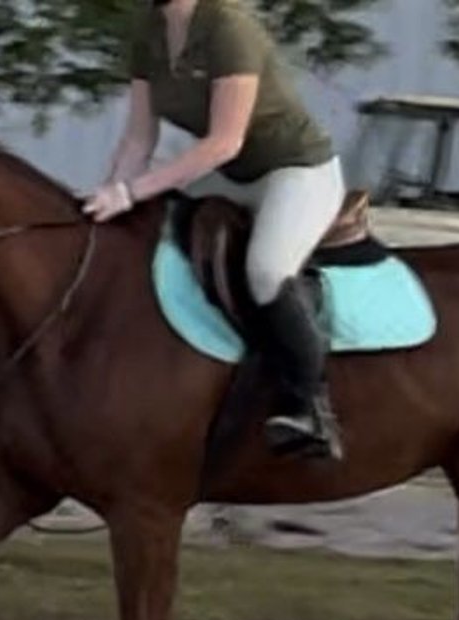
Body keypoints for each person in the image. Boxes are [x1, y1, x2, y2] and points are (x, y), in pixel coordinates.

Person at [83, 0, 346, 460]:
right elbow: (139, 138)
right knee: (147, 240)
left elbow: (225, 141)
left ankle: (309, 407)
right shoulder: (149, 29)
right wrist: (109, 195)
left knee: (266, 271)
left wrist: (132, 191)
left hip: (294, 170)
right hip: (229, 176)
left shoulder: (228, 26)